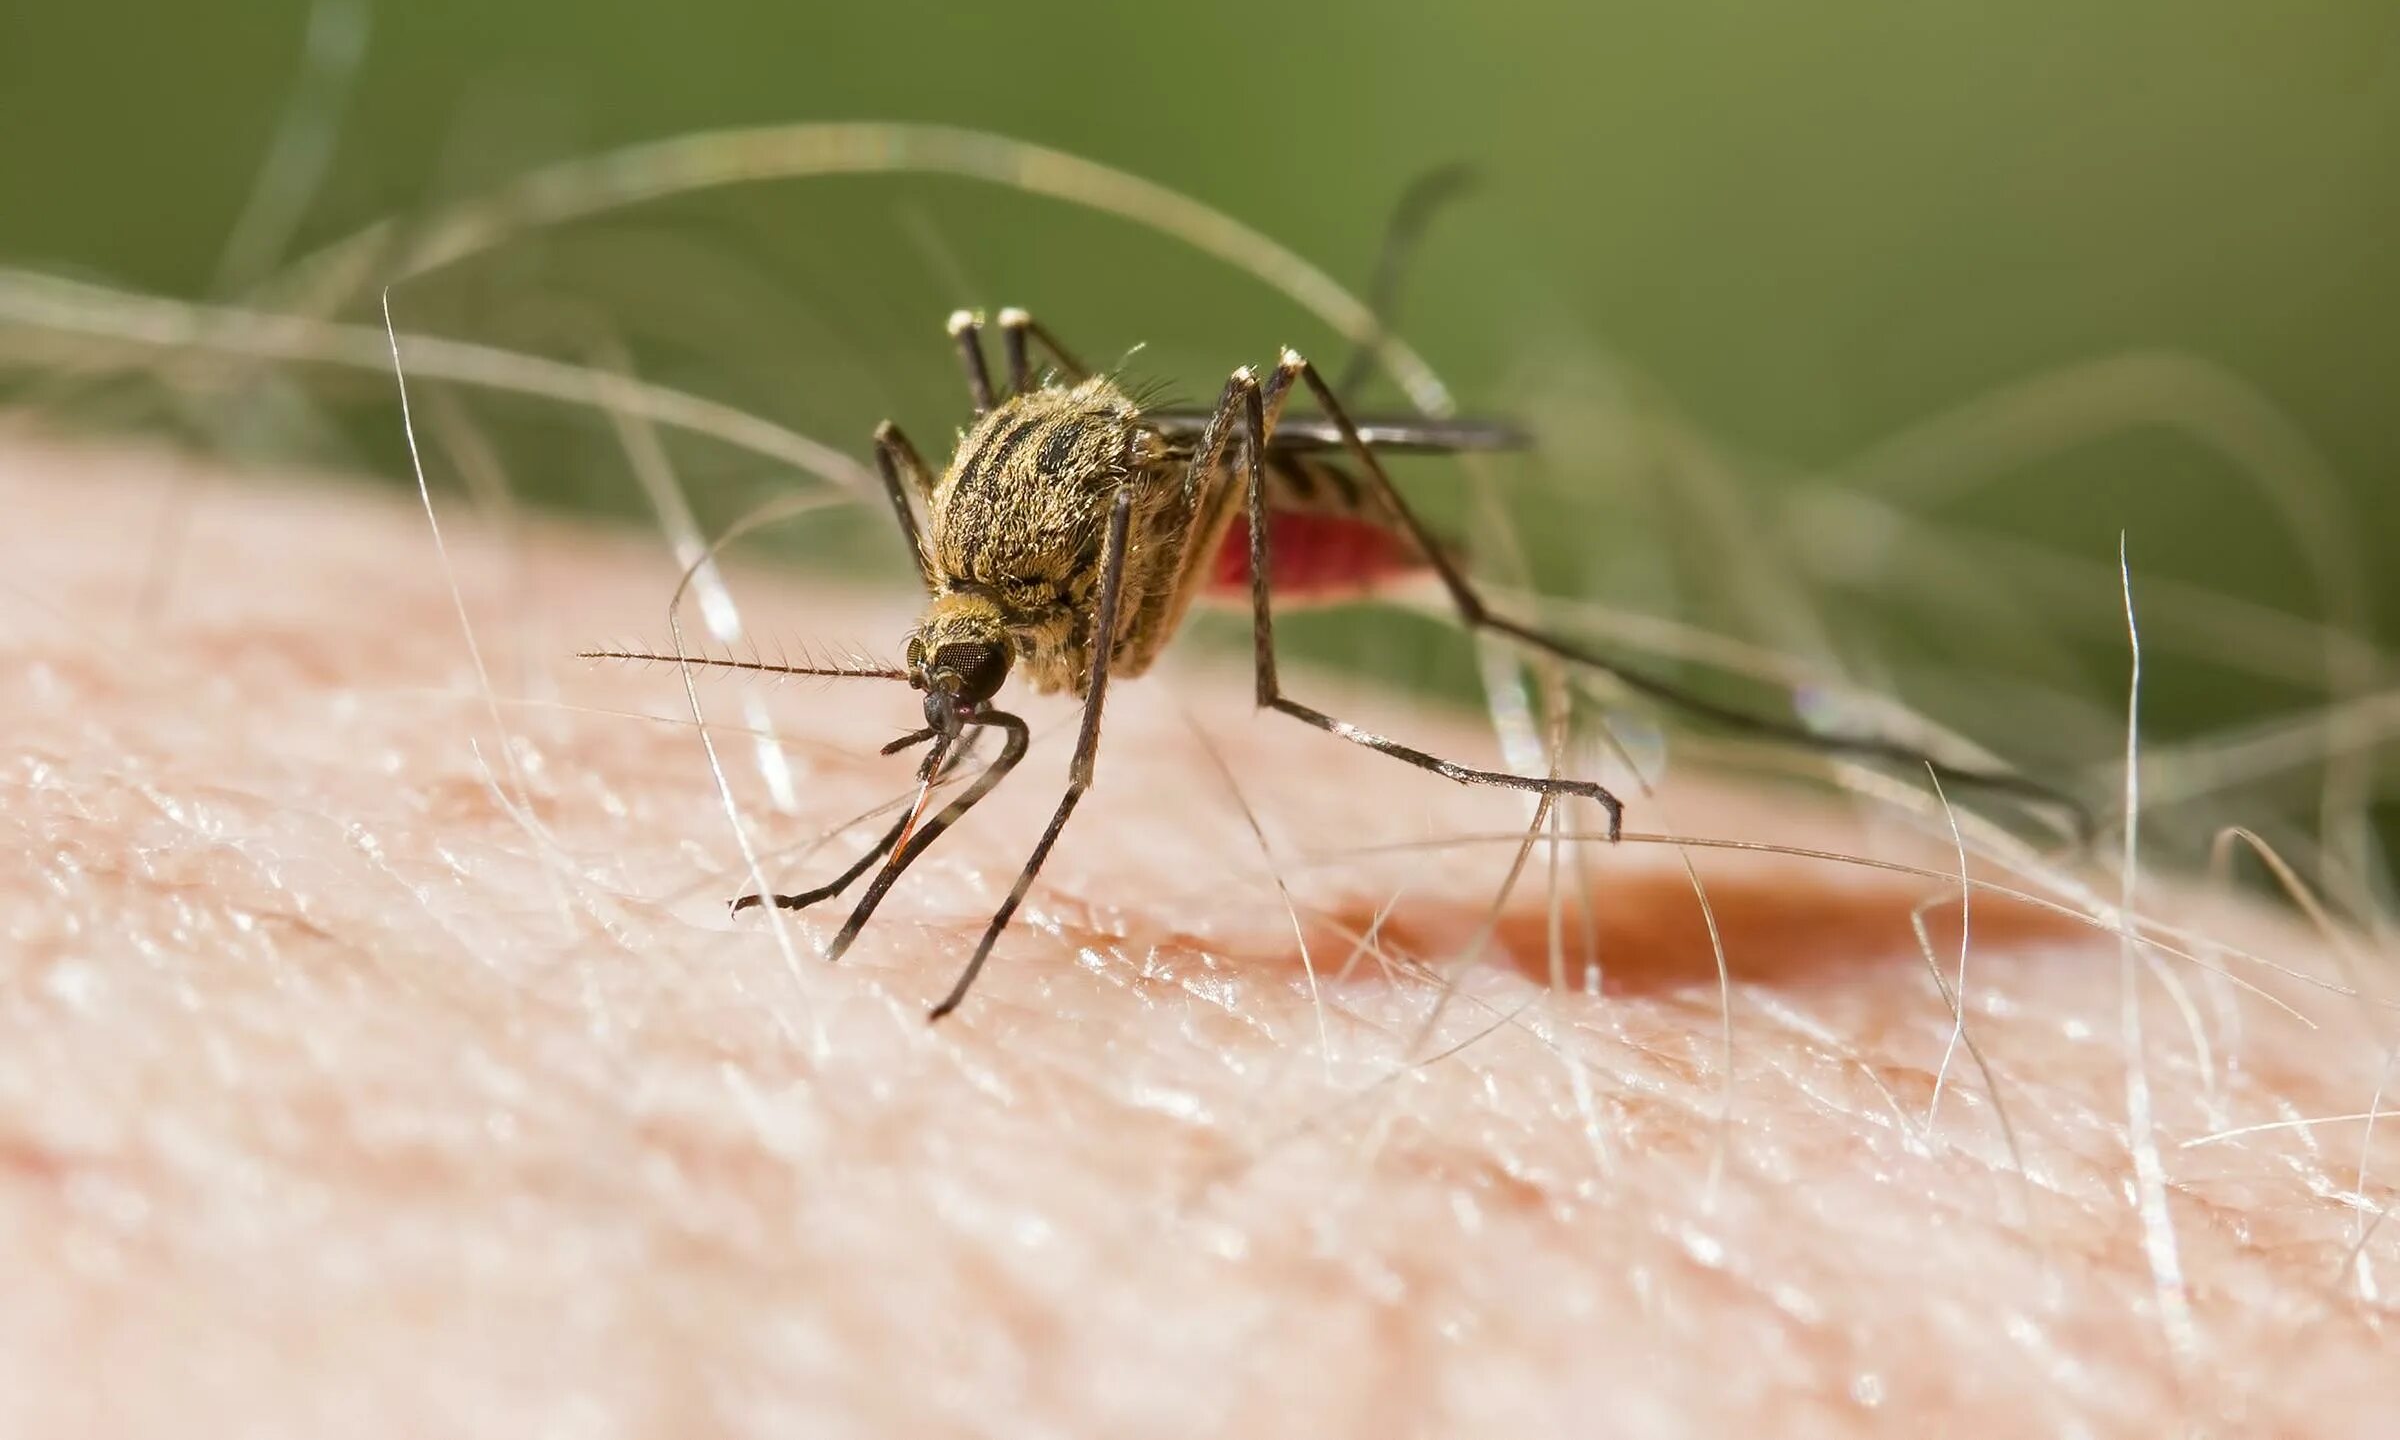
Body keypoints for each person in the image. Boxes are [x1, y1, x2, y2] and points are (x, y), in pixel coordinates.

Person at [4, 435, 2390, 1438]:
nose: (956, 721)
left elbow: (1045, 730)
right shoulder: (970, 605)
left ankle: (1433, 609)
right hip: (1098, 518)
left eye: (955, 694)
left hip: (1209, 511)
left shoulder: (1045, 599)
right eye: (951, 693)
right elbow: (994, 708)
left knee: (1177, 546)